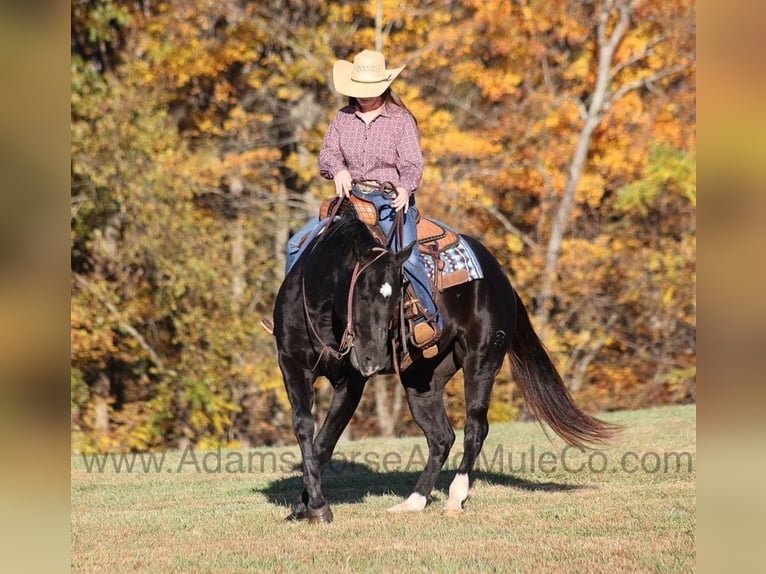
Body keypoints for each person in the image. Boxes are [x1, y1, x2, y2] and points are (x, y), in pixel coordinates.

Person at [285, 49, 441, 355]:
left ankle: (426, 318)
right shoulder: (343, 119)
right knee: (295, 244)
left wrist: (405, 189)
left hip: (387, 200)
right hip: (350, 199)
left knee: (406, 257)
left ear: (383, 88)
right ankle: (291, 316)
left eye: (369, 91)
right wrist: (338, 169)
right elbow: (327, 155)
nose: (363, 97)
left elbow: (412, 165)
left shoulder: (401, 120)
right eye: (359, 91)